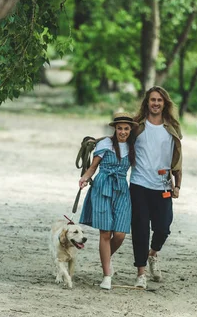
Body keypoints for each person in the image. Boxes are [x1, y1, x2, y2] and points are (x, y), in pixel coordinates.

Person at [130, 86, 183, 289]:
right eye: (152, 100)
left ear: (165, 103)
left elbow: (178, 158)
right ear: (147, 102)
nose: (155, 103)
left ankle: (153, 254)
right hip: (139, 184)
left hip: (162, 185)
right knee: (140, 228)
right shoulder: (137, 126)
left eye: (159, 100)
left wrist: (178, 184)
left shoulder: (172, 127)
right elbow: (121, 140)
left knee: (163, 227)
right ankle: (141, 272)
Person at [78, 114, 137, 290]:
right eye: (120, 128)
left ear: (130, 130)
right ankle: (107, 275)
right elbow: (94, 166)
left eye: (126, 128)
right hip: (103, 187)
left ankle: (106, 259)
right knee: (105, 232)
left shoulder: (132, 148)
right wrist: (85, 178)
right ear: (115, 129)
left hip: (121, 189)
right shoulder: (105, 144)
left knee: (120, 234)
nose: (123, 132)